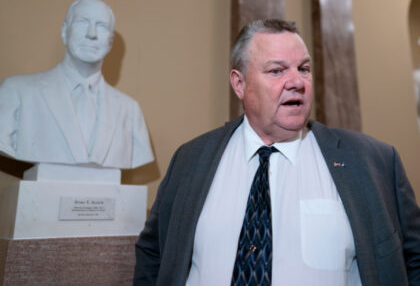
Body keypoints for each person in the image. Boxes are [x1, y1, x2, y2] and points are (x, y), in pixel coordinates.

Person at [134, 20, 420, 285]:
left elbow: (413, 260)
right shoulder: (189, 161)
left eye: (304, 69)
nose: (297, 82)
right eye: (277, 71)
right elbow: (153, 255)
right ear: (239, 84)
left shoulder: (374, 162)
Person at [0, 0, 153, 169]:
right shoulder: (16, 92)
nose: (92, 34)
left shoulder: (130, 110)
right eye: (83, 22)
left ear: (110, 43)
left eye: (101, 26)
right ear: (65, 32)